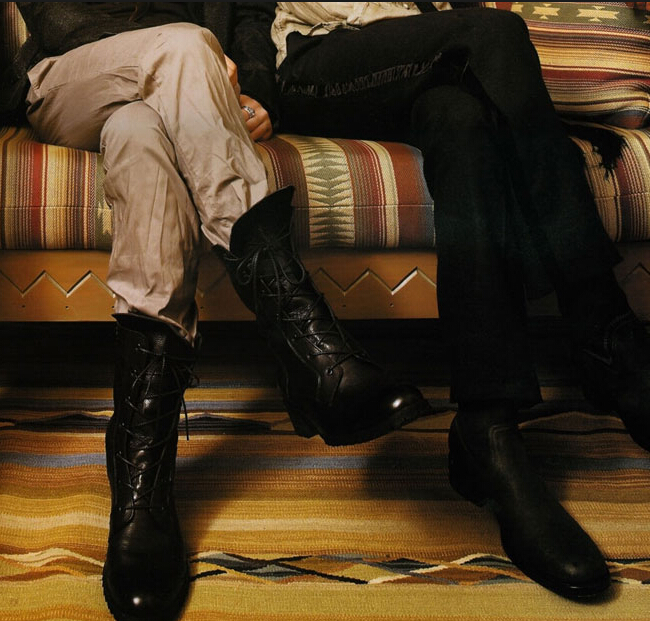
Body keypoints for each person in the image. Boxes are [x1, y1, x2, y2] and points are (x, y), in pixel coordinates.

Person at [6, 4, 433, 621]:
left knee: (138, 136)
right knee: (183, 46)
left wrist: (255, 89)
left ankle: (140, 471)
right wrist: (194, 56)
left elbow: (251, 12)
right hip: (72, 77)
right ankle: (305, 343)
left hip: (177, 87)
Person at [257, 0, 650, 601]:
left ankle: (487, 428)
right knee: (495, 31)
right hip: (315, 61)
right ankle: (604, 328)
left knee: (460, 118)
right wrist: (255, 88)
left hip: (416, 54)